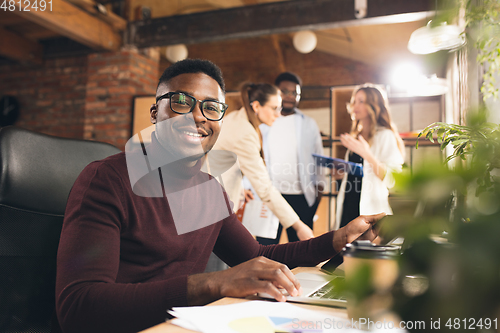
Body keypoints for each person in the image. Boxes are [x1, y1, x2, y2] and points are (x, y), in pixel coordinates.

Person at [54, 59, 383, 333]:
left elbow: (256, 253)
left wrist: (336, 239)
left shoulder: (207, 189)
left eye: (211, 108)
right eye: (182, 101)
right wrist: (213, 284)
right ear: (155, 113)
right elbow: (78, 307)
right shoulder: (108, 180)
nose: (198, 116)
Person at [214, 82, 315, 242]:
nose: (278, 114)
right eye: (274, 108)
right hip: (213, 208)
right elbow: (265, 189)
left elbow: (222, 161)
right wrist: (298, 225)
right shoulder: (244, 133)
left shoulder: (237, 118)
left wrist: (239, 188)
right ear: (256, 106)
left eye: (279, 108)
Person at [259, 72, 325, 245]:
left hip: (302, 197)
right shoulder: (265, 122)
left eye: (294, 93)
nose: (289, 96)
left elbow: (319, 159)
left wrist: (318, 192)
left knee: (301, 251)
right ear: (276, 93)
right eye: (284, 91)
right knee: (265, 248)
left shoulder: (308, 123)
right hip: (270, 196)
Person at [335, 84, 405, 230]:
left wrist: (366, 154)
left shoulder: (385, 135)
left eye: (361, 101)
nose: (355, 105)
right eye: (354, 101)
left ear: (374, 105)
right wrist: (342, 174)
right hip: (348, 206)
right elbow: (359, 174)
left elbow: (393, 179)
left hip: (370, 208)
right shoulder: (356, 136)